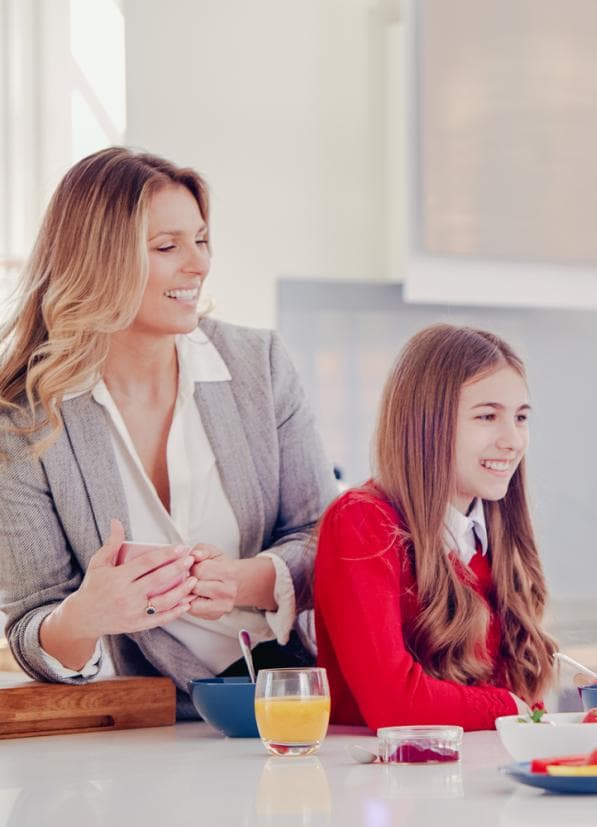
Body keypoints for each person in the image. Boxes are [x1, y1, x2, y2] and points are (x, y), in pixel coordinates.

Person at [0, 147, 337, 717]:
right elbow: (32, 625)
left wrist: (247, 581)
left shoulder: (259, 365)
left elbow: (325, 538)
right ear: (97, 261)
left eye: (201, 240)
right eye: (167, 247)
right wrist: (87, 615)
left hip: (295, 703)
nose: (198, 265)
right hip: (148, 727)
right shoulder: (24, 419)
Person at [313, 324, 557, 732]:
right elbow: (395, 706)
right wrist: (515, 709)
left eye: (520, 418)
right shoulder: (361, 522)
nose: (513, 440)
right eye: (487, 416)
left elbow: (506, 696)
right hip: (377, 786)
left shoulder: (492, 531)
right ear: (426, 423)